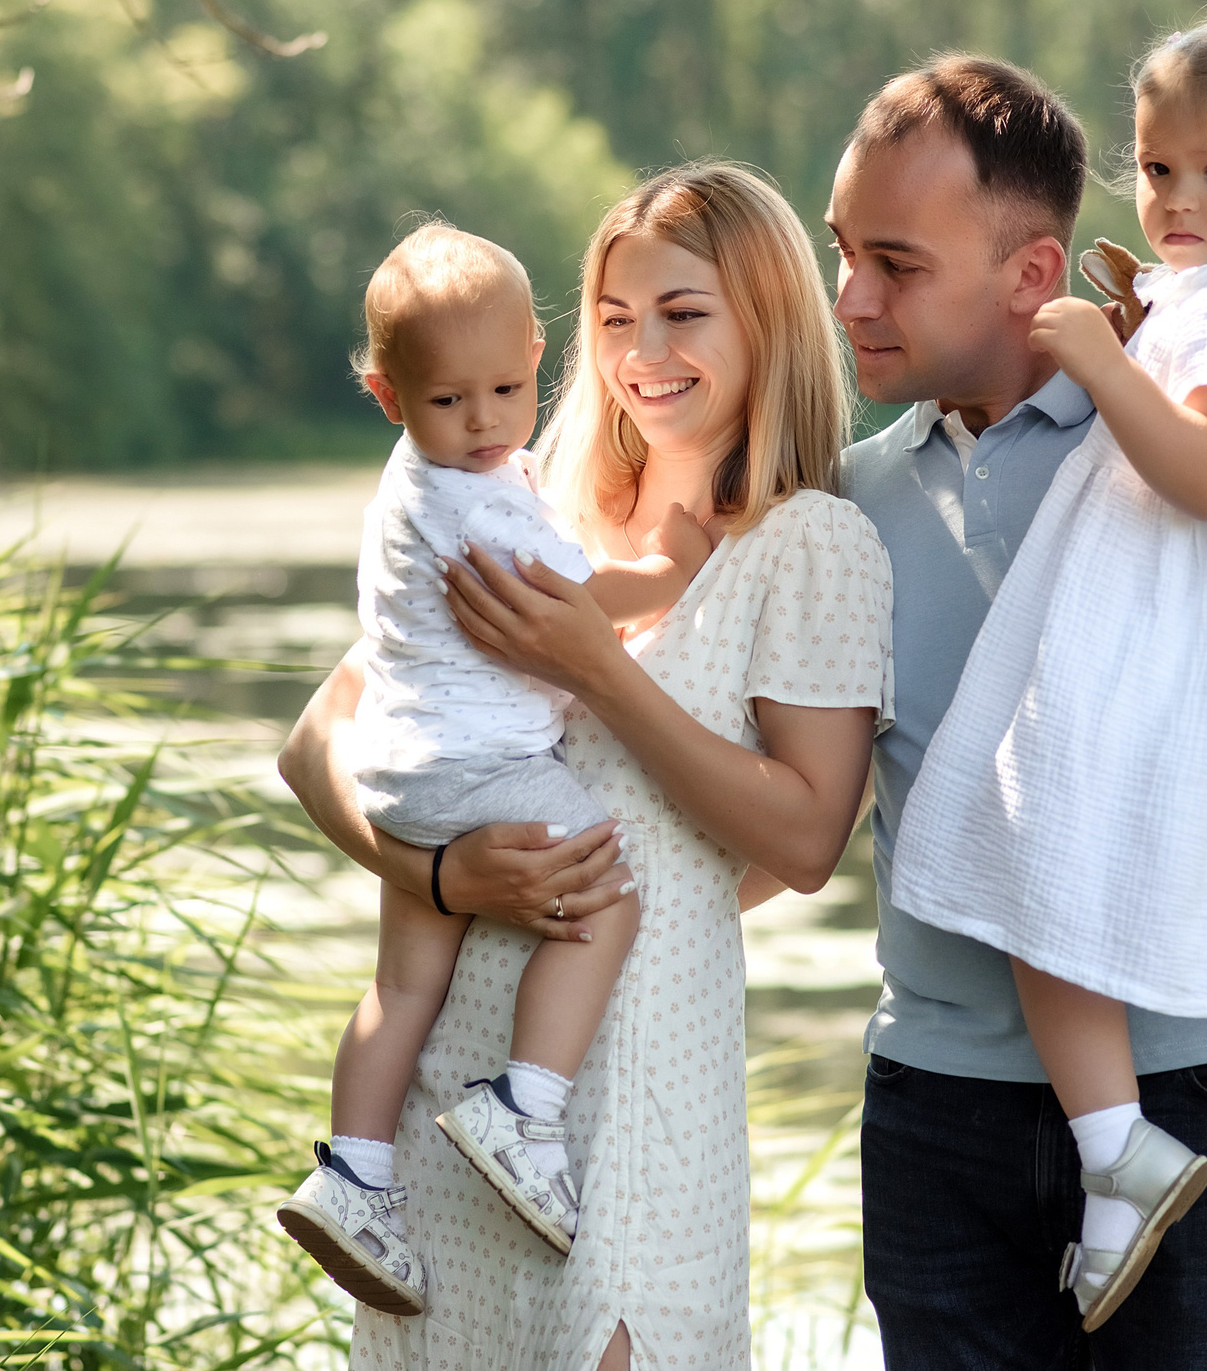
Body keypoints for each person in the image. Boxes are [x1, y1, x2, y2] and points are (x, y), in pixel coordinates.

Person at [829, 52, 1207, 1368]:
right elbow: (800, 819)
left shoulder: (1180, 406)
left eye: (897, 262)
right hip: (940, 1115)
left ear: (1032, 275)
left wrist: (1137, 824)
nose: (850, 298)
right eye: (842, 254)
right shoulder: (842, 502)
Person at [279, 161, 894, 1371]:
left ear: (765, 319)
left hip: (638, 1080)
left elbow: (809, 838)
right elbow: (318, 747)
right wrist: (446, 876)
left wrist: (598, 667)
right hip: (455, 1085)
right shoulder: (522, 506)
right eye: (615, 319)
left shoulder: (807, 540)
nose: (642, 350)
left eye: (683, 312)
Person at [276, 222, 714, 1315]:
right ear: (388, 394)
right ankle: (524, 1103)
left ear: (536, 352)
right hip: (479, 766)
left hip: (401, 769)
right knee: (606, 901)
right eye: (446, 402)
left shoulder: (414, 484)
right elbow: (574, 610)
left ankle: (356, 1175)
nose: (481, 423)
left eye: (505, 390)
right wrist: (668, 568)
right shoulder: (476, 500)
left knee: (402, 984)